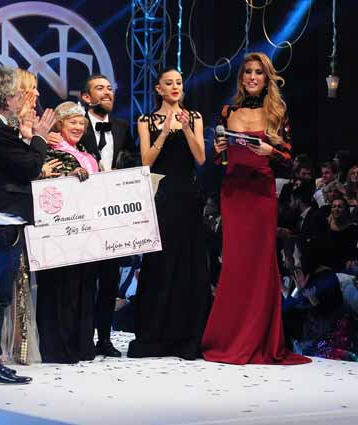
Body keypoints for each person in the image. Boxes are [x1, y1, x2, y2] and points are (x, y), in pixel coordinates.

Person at [201, 52, 310, 365]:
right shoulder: (227, 111)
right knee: (234, 264)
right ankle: (229, 337)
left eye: (258, 72)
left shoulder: (277, 112)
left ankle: (259, 339)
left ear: (266, 78)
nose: (252, 77)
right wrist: (218, 151)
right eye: (247, 71)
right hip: (233, 193)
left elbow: (289, 159)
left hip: (261, 195)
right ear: (241, 77)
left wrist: (268, 150)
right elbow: (219, 160)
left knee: (261, 265)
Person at [0, 66, 55, 384]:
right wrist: (39, 137)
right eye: (19, 93)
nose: (23, 98)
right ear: (6, 98)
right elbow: (30, 167)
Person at [127, 66, 211, 360]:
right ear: (158, 89)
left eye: (179, 82)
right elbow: (146, 162)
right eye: (169, 83)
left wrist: (185, 127)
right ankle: (155, 332)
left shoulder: (194, 117)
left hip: (188, 197)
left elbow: (200, 158)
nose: (175, 87)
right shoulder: (146, 120)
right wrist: (163, 132)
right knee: (161, 262)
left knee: (188, 262)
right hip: (162, 196)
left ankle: (187, 333)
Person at [77, 74, 138, 357]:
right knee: (86, 279)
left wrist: (120, 172)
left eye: (110, 88)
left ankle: (104, 339)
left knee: (110, 279)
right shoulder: (76, 125)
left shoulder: (123, 126)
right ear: (86, 97)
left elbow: (134, 159)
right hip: (83, 212)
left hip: (113, 212)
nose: (107, 93)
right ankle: (83, 339)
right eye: (99, 88)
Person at [35, 101, 100, 364]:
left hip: (87, 233)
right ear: (60, 125)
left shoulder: (86, 153)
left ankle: (82, 344)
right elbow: (43, 188)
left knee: (84, 287)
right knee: (61, 288)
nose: (78, 127)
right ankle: (58, 348)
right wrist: (68, 177)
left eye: (82, 123)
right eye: (73, 122)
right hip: (60, 235)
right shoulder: (50, 151)